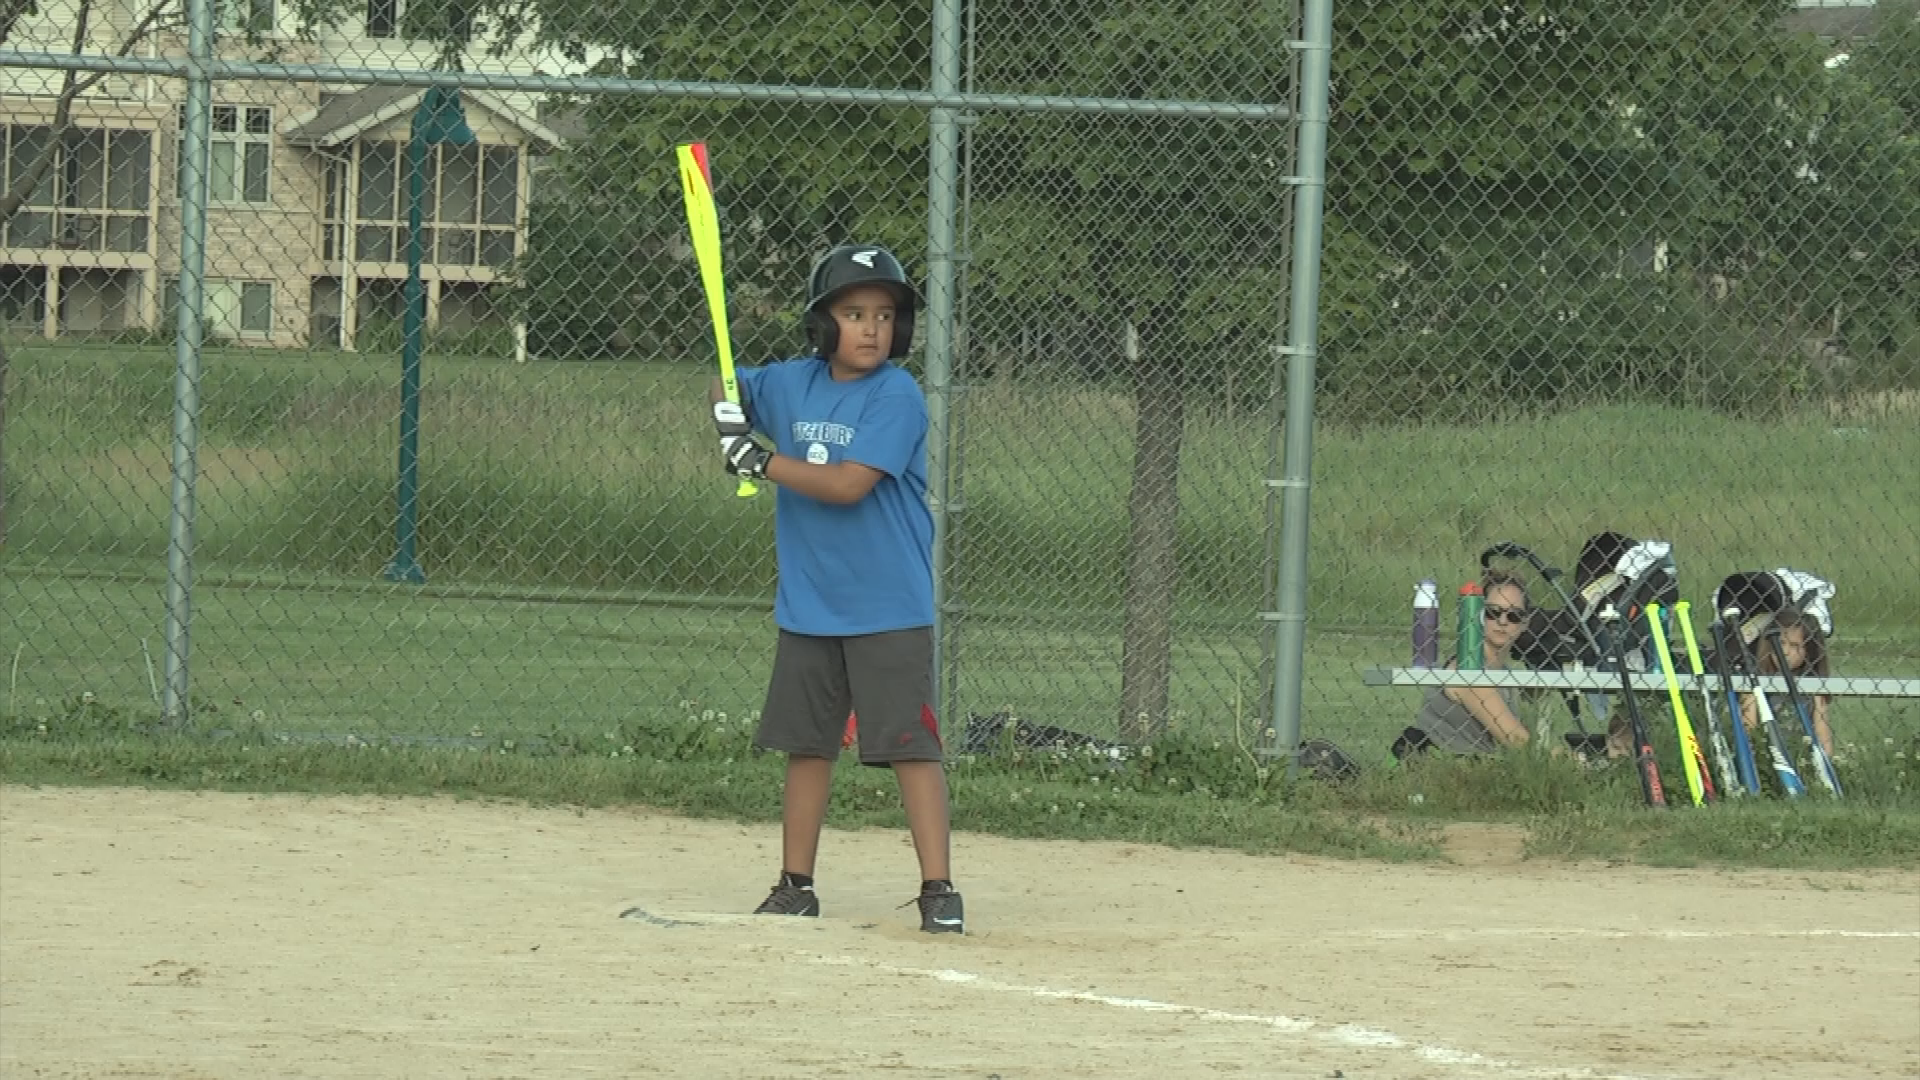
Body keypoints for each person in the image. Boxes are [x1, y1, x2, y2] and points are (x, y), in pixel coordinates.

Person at [708, 242, 963, 935]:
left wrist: (760, 458)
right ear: (824, 325)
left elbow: (849, 485)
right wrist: (727, 412)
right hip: (811, 604)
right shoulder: (792, 382)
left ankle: (939, 889)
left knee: (911, 745)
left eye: (885, 316)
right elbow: (730, 384)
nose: (872, 329)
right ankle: (796, 884)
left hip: (887, 606)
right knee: (807, 745)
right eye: (853, 314)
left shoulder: (897, 395)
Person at [1392, 570, 1543, 759]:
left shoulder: (1503, 672)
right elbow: (1517, 741)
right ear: (1477, 614)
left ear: (1524, 623)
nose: (1502, 621)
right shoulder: (1466, 669)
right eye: (1492, 612)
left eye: (1514, 615)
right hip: (1449, 770)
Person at [1742, 610, 1836, 760]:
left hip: (1800, 759)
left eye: (1794, 646)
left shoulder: (1813, 688)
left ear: (1809, 651)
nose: (1784, 652)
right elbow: (1749, 734)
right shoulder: (1757, 682)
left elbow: (1825, 745)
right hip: (1765, 757)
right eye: (1780, 643)